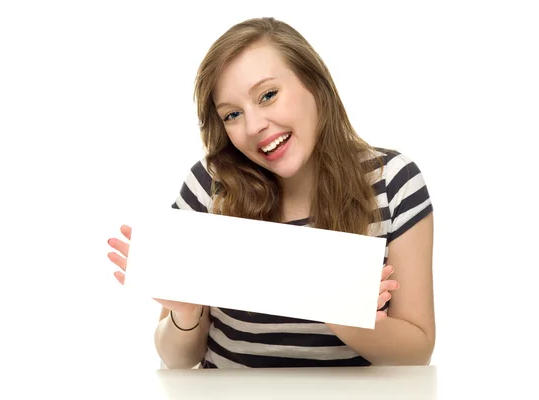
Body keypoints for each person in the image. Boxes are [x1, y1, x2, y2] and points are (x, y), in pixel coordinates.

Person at [107, 17, 435, 369]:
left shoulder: (392, 180)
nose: (254, 126)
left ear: (315, 84)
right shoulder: (209, 185)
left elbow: (418, 352)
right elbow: (177, 359)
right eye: (232, 114)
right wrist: (184, 312)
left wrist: (343, 313)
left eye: (268, 95)